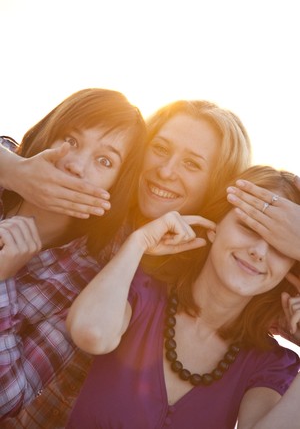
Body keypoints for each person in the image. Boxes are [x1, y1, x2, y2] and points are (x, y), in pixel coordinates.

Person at [65, 165, 300, 429]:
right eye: (248, 227)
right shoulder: (141, 289)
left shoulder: (271, 364)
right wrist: (138, 242)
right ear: (214, 227)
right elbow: (91, 333)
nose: (259, 251)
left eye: (280, 246)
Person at [0, 88, 147, 419]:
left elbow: (8, 397)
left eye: (104, 161)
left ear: (116, 186)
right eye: (71, 139)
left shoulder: (80, 281)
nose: (75, 165)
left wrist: (2, 280)